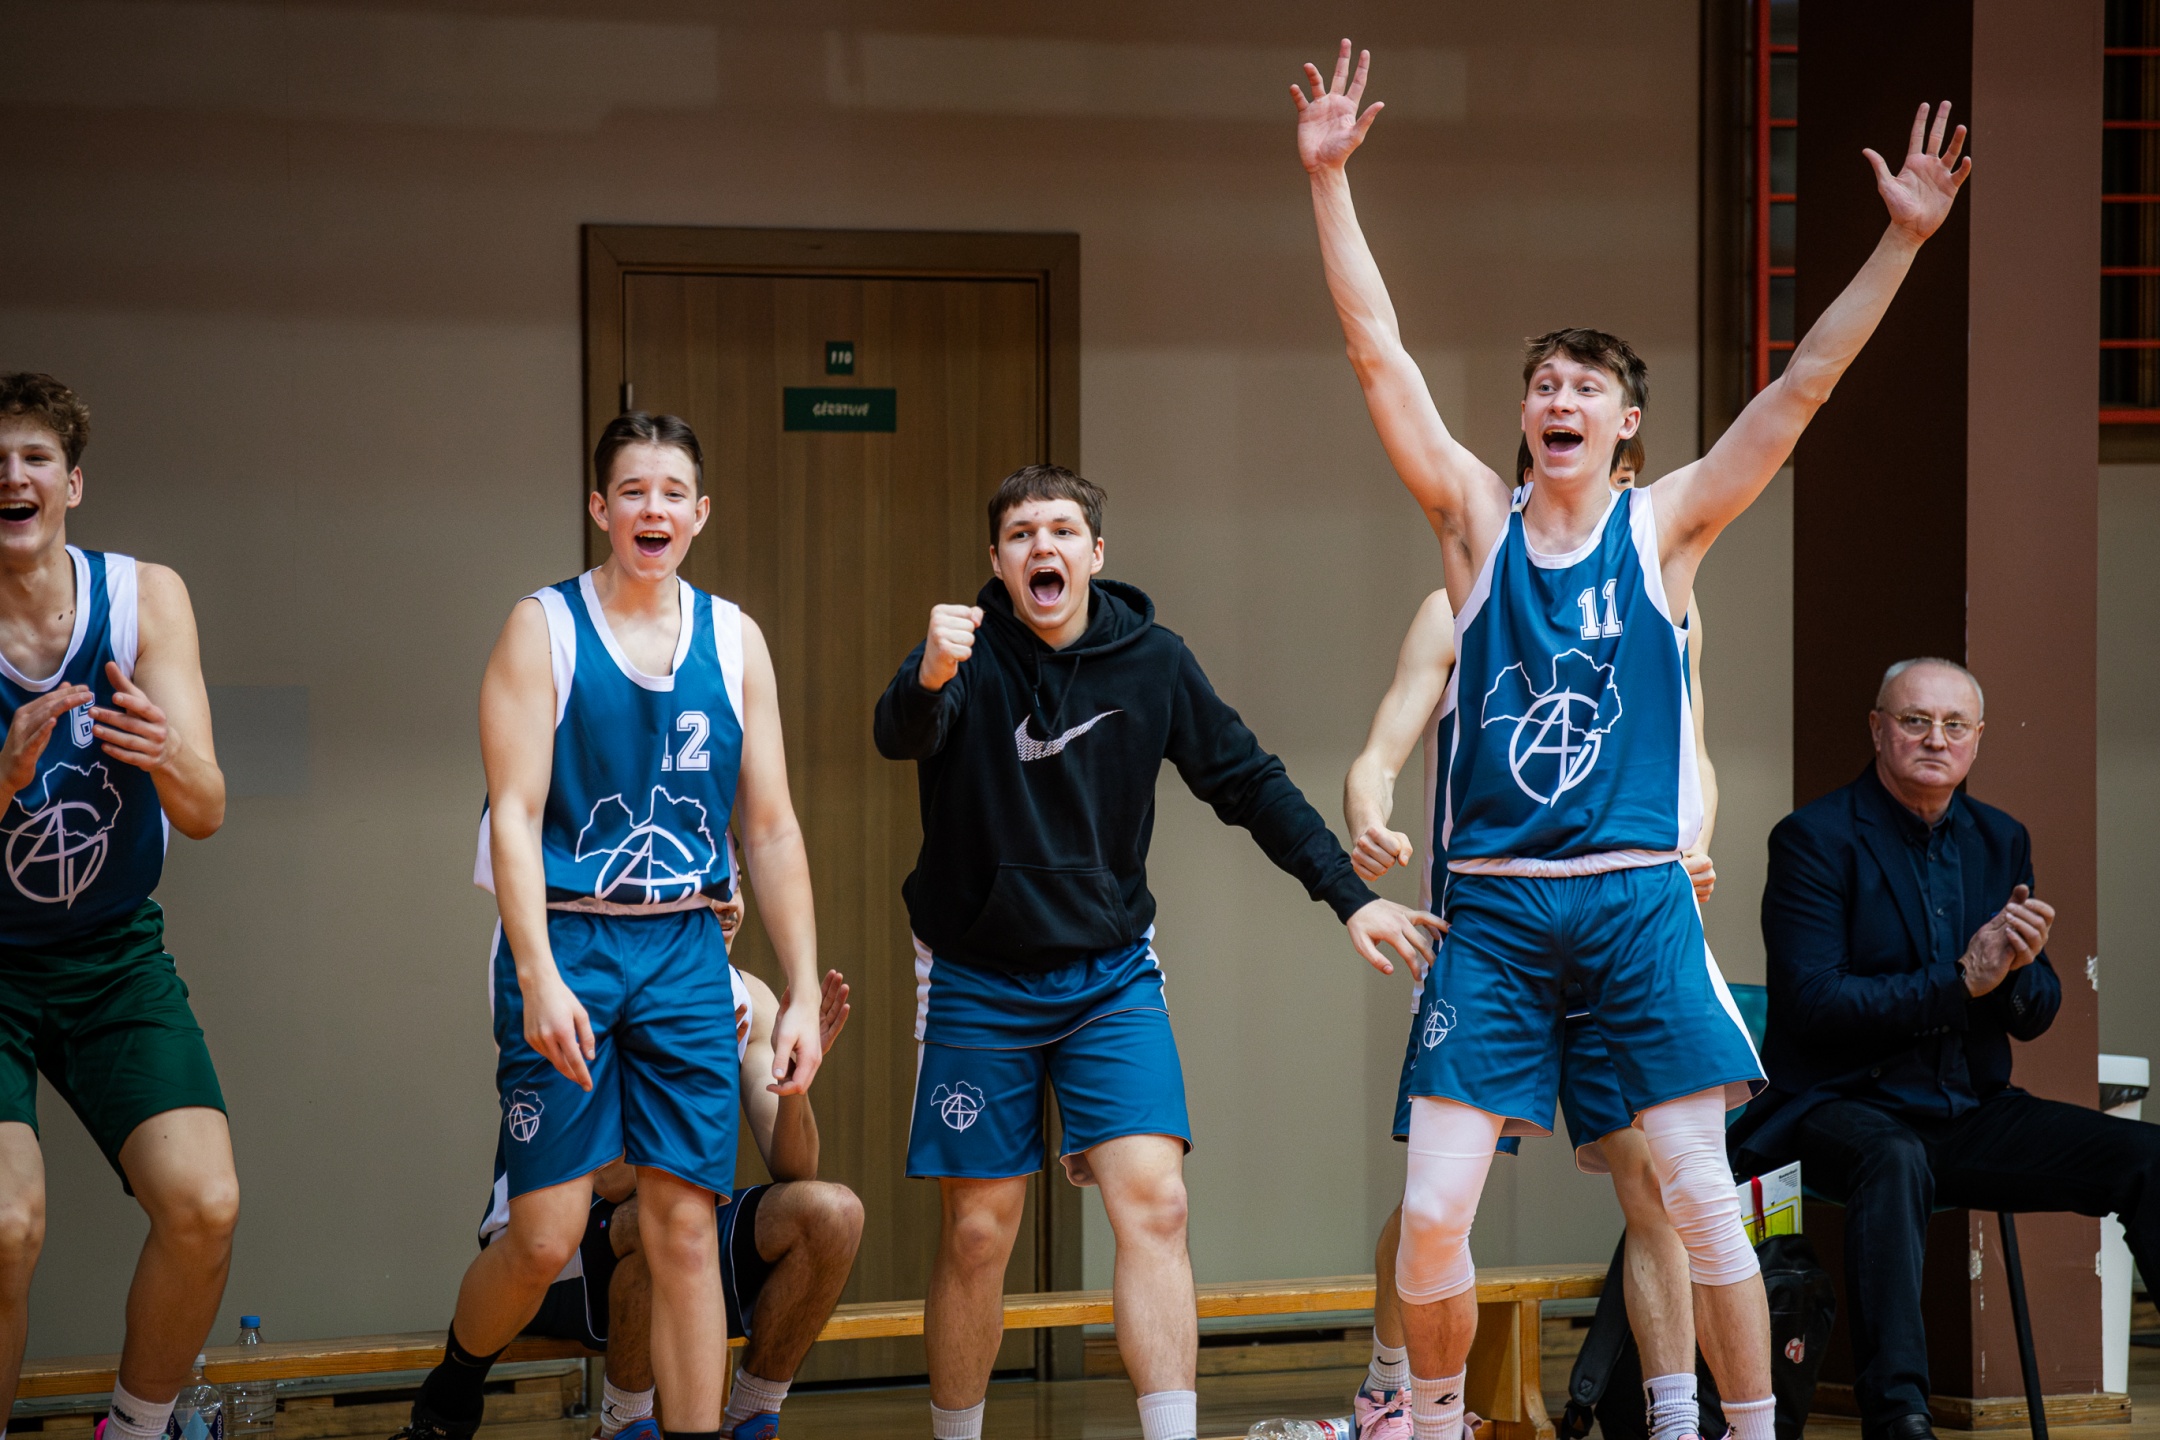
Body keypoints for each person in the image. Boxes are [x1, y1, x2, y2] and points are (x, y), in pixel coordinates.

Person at [1294, 39, 1971, 1440]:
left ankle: (1740, 1427)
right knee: (1433, 1215)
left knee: (1705, 1200)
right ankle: (1429, 1415)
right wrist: (1328, 183)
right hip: (1494, 909)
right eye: (1543, 384)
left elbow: (1803, 386)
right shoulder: (1474, 528)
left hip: (1635, 904)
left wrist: (1902, 243)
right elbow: (1376, 353)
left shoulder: (1665, 532)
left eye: (1586, 387)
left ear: (1627, 425)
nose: (1560, 399)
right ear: (1525, 417)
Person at [874, 463, 1442, 1440]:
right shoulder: (959, 653)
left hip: (1108, 973)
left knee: (1159, 1205)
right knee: (976, 1232)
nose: (1042, 547)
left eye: (1062, 531)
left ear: (1096, 553)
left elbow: (1248, 783)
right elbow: (899, 734)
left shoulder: (1153, 660)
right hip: (977, 972)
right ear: (998, 561)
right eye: (1021, 535)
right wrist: (926, 673)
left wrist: (1349, 899)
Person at [393, 412, 827, 1440]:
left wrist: (804, 986)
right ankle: (453, 1389)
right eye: (633, 490)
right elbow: (513, 818)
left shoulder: (734, 639)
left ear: (701, 513)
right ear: (600, 508)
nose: (652, 508)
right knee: (545, 1235)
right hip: (570, 936)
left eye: (673, 492)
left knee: (684, 1229)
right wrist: (538, 973)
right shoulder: (540, 627)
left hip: (683, 944)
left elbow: (769, 827)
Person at [1344, 436, 1720, 1440]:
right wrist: (1368, 812)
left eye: (1624, 482)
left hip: (1618, 930)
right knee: (1438, 1197)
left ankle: (1675, 1418)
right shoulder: (1459, 603)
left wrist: (1693, 846)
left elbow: (1694, 757)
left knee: (1652, 1179)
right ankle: (1389, 1390)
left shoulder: (1659, 595)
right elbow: (1381, 749)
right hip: (1495, 936)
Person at [1731, 657, 2160, 1440]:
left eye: (1955, 725)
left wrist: (2018, 972)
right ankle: (1899, 1417)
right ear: (1877, 729)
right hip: (1836, 1106)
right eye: (1915, 721)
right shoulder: (1815, 839)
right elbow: (1814, 1006)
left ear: (1977, 738)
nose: (1937, 739)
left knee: (2148, 1157)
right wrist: (1961, 981)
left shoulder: (2000, 839)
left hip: (1968, 1111)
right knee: (1894, 1157)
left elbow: (2033, 1013)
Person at [0, 373, 238, 1440]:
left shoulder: (146, 598)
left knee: (204, 1206)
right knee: (6, 1229)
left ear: (71, 483)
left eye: (34, 458)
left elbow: (206, 809)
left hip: (111, 952)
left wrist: (166, 750)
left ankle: (134, 1431)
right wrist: (5, 780)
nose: (13, 477)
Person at [500, 959, 862, 1440]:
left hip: (679, 1235)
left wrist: (794, 1083)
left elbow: (795, 1171)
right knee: (664, 1221)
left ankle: (752, 1416)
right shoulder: (602, 977)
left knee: (834, 1216)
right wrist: (686, 1069)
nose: (727, 915)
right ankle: (624, 1423)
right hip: (549, 1249)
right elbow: (612, 1181)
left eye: (734, 899)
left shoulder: (748, 998)